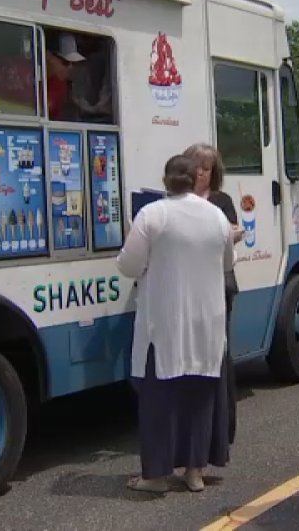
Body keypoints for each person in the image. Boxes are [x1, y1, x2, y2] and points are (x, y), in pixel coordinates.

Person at [117, 154, 234, 494]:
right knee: (199, 397)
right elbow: (228, 261)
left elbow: (128, 265)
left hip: (164, 323)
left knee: (159, 399)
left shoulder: (153, 214)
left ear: (167, 180)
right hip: (207, 322)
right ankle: (194, 472)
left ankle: (155, 475)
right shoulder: (216, 216)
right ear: (196, 177)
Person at [184, 143, 246, 448]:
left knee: (219, 355)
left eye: (205, 168)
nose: (199, 173)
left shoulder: (221, 201)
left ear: (213, 173)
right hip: (183, 290)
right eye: (195, 166)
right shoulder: (174, 200)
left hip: (218, 286)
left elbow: (236, 232)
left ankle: (221, 428)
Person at [45, 31, 85, 121]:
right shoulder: (27, 74)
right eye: (65, 62)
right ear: (47, 55)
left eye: (74, 63)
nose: (71, 67)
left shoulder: (61, 86)